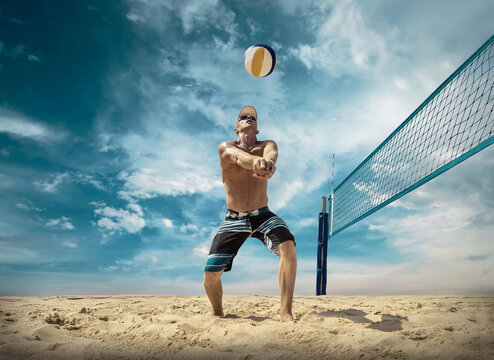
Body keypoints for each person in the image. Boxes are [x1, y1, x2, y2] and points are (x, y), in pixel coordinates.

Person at [203, 105, 297, 322]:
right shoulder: (225, 147)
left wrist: (269, 163)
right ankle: (217, 312)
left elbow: (271, 153)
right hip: (234, 218)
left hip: (262, 214)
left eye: (252, 118)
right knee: (210, 275)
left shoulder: (267, 144)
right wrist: (257, 163)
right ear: (237, 128)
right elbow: (238, 158)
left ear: (257, 129)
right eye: (243, 117)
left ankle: (285, 312)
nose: (248, 119)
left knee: (288, 246)